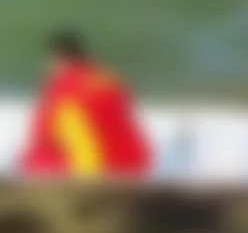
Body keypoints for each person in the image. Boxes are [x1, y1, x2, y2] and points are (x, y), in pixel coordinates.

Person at [19, 31, 152, 179]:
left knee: (35, 158)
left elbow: (43, 137)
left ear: (57, 60)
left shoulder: (60, 90)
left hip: (93, 175)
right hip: (135, 164)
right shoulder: (110, 79)